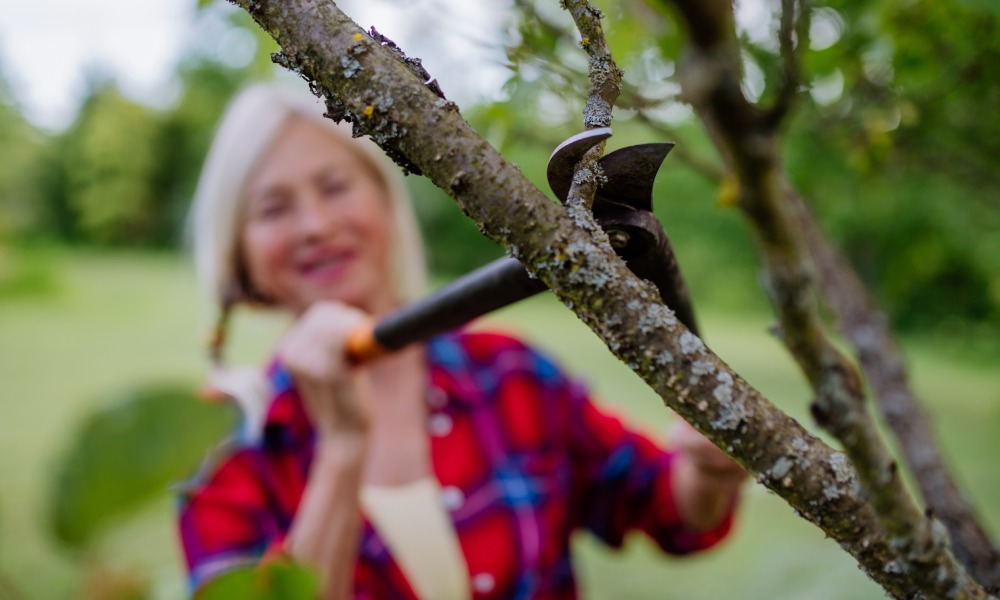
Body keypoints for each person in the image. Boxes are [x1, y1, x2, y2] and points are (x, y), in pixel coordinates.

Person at [178, 82, 748, 600]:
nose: (315, 225)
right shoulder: (216, 446)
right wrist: (342, 447)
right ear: (239, 254)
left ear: (384, 201)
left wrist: (712, 467)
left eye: (334, 186)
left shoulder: (510, 373)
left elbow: (667, 504)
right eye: (274, 208)